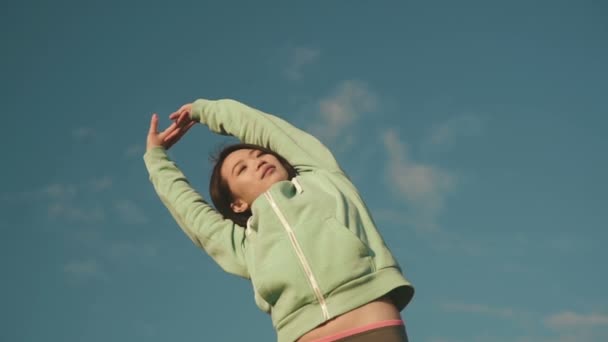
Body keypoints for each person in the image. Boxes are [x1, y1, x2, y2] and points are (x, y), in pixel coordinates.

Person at [144, 98, 414, 342]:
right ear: (237, 204)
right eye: (242, 169)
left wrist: (208, 111)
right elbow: (191, 213)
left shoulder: (324, 179)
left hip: (372, 326)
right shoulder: (246, 244)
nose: (258, 161)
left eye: (261, 154)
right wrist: (157, 159)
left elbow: (266, 129)